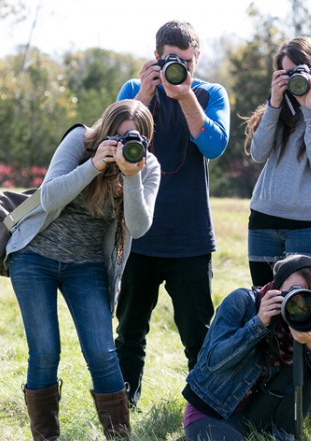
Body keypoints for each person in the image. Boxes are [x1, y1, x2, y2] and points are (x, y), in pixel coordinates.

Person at [5, 99, 161, 441]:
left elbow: (139, 226)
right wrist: (93, 165)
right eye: (117, 137)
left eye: (133, 138)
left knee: (102, 353)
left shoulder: (147, 167)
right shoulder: (80, 140)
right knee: (44, 351)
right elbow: (48, 195)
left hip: (86, 265)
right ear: (105, 131)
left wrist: (131, 175)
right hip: (35, 255)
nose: (125, 145)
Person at [114, 19, 230, 408]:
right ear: (156, 57)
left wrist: (184, 96)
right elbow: (111, 142)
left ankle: (202, 411)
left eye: (185, 61)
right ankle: (123, 410)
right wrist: (147, 93)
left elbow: (214, 146)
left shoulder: (210, 94)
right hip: (139, 232)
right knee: (129, 331)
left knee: (198, 335)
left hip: (191, 237)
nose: (177, 68)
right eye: (169, 61)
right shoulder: (134, 90)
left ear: (196, 59)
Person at [181, 254, 311, 441]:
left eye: (305, 298)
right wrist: (257, 324)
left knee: (307, 365)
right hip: (211, 411)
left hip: (254, 415)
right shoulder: (242, 302)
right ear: (275, 286)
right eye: (290, 293)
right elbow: (214, 362)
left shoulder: (307, 322)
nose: (297, 304)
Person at [244, 36, 311, 287]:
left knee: (304, 312)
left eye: (298, 72)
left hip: (306, 226)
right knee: (265, 307)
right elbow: (258, 154)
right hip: (263, 220)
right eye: (285, 72)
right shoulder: (278, 107)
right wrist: (273, 103)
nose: (293, 79)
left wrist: (310, 110)